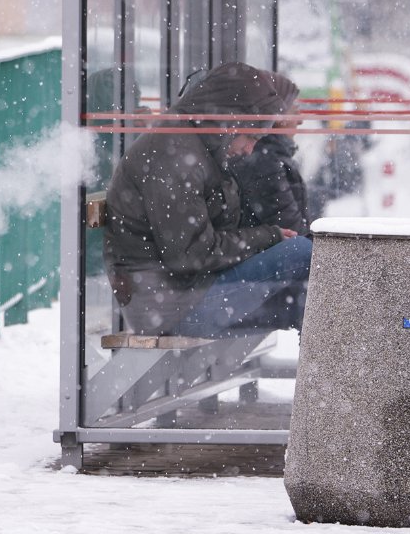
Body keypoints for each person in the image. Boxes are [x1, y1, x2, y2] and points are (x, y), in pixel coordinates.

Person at [104, 61, 311, 337]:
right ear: (229, 122)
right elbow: (190, 255)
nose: (249, 150)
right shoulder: (173, 154)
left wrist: (267, 238)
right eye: (250, 138)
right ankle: (336, 373)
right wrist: (266, 237)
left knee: (305, 298)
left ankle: (332, 373)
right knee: (303, 254)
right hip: (169, 307)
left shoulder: (196, 148)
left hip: (186, 295)